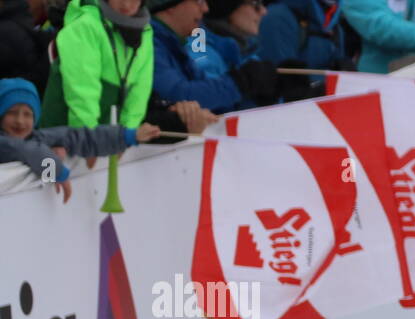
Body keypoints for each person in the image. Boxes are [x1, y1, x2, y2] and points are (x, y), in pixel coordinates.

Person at [0, 76, 160, 201]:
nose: (20, 121)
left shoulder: (36, 137)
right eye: (12, 113)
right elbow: (29, 151)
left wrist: (128, 136)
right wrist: (55, 173)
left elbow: (79, 137)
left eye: (27, 114)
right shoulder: (6, 142)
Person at [40, 0, 154, 132]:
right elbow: (82, 93)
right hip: (66, 136)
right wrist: (89, 140)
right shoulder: (85, 26)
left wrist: (127, 134)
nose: (126, 4)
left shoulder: (145, 31)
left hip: (107, 138)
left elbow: (140, 90)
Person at [150, 0, 280, 111]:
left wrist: (264, 96)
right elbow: (181, 98)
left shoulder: (173, 42)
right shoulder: (153, 44)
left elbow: (222, 106)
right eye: (255, 4)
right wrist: (241, 83)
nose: (205, 8)